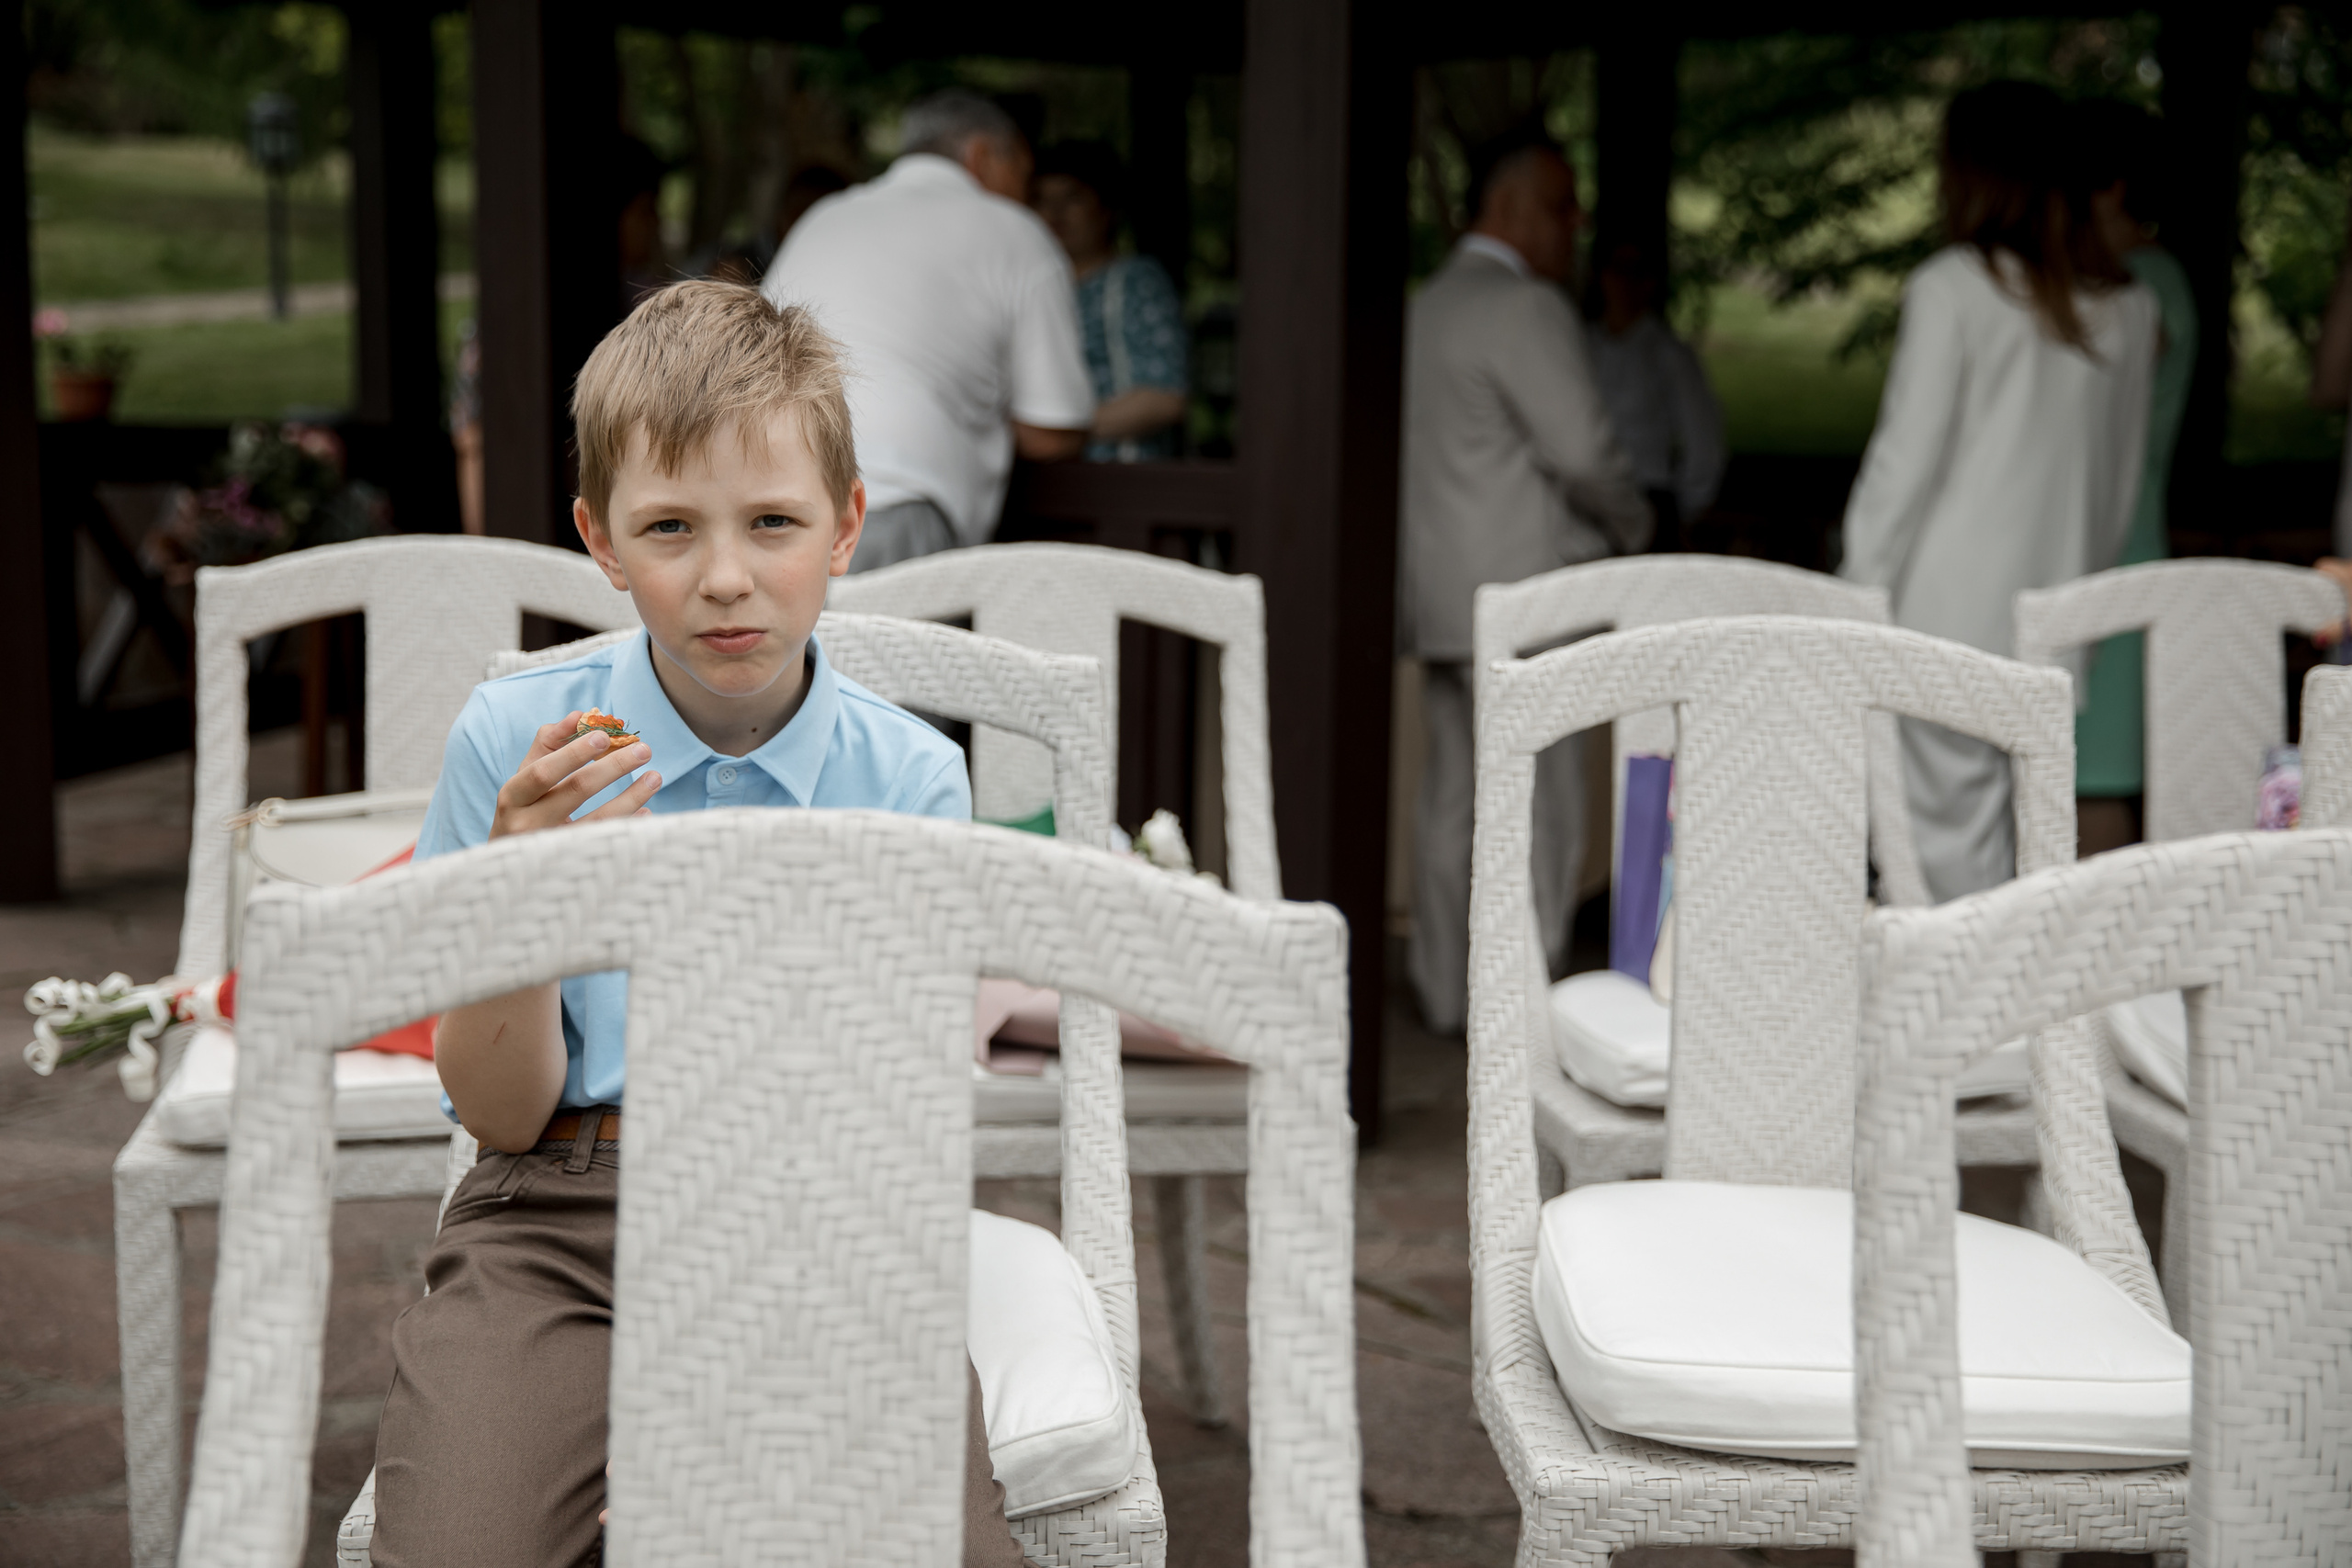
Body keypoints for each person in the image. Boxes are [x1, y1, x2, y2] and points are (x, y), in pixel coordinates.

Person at [368, 280, 1023, 1568]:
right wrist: (527, 885)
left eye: (771, 521)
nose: (726, 577)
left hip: (821, 1219)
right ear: (601, 541)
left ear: (844, 529)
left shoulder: (912, 781)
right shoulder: (518, 747)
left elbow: (884, 1109)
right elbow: (498, 1113)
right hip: (550, 1209)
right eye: (670, 527)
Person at [1840, 82, 2157, 900]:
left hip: (1937, 622)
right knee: (2018, 867)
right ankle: (2001, 1025)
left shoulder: (1953, 288)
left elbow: (1898, 477)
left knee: (1937, 876)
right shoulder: (2130, 310)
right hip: (2053, 630)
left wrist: (1846, 608)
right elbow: (2116, 499)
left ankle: (1960, 1028)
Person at [1399, 130, 1653, 1035]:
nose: (1572, 224)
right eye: (1558, 204)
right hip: (1527, 596)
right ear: (1506, 208)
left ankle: (1440, 987)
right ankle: (1523, 1006)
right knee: (1541, 810)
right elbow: (1584, 451)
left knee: (1449, 802)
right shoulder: (1525, 309)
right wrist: (1634, 529)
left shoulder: (1420, 308)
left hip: (1437, 594)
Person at [763, 89, 1092, 570]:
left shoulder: (826, 217)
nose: (1028, 192)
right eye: (1023, 170)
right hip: (894, 504)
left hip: (770, 500)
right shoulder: (1013, 231)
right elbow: (1052, 430)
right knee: (885, 649)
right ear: (981, 155)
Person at [2070, 100, 2199, 854]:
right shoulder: (2142, 282)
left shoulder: (2142, 287)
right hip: (2112, 534)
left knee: (2096, 775)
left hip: (2118, 542)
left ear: (2110, 190)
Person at [1032, 140, 1190, 460]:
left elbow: (1166, 397)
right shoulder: (1031, 288)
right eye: (1041, 200)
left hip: (1119, 482)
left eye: (1072, 198)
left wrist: (1059, 433)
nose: (1055, 214)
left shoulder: (1134, 281)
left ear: (1106, 207)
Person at [1588, 240, 1725, 550]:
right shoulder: (1582, 346)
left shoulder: (1668, 354)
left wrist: (1684, 508)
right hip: (1588, 503)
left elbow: (1702, 437)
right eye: (1618, 270)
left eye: (1638, 272)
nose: (1627, 283)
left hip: (1647, 497)